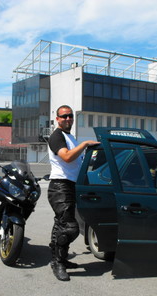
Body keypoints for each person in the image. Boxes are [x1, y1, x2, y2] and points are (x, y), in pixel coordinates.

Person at [47, 105, 100, 281]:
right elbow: (67, 157)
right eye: (64, 116)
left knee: (60, 225)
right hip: (60, 187)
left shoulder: (69, 137)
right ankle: (58, 263)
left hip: (71, 186)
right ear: (57, 119)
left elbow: (77, 161)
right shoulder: (57, 136)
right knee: (70, 228)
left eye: (70, 116)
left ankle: (61, 258)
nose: (68, 119)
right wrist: (85, 144)